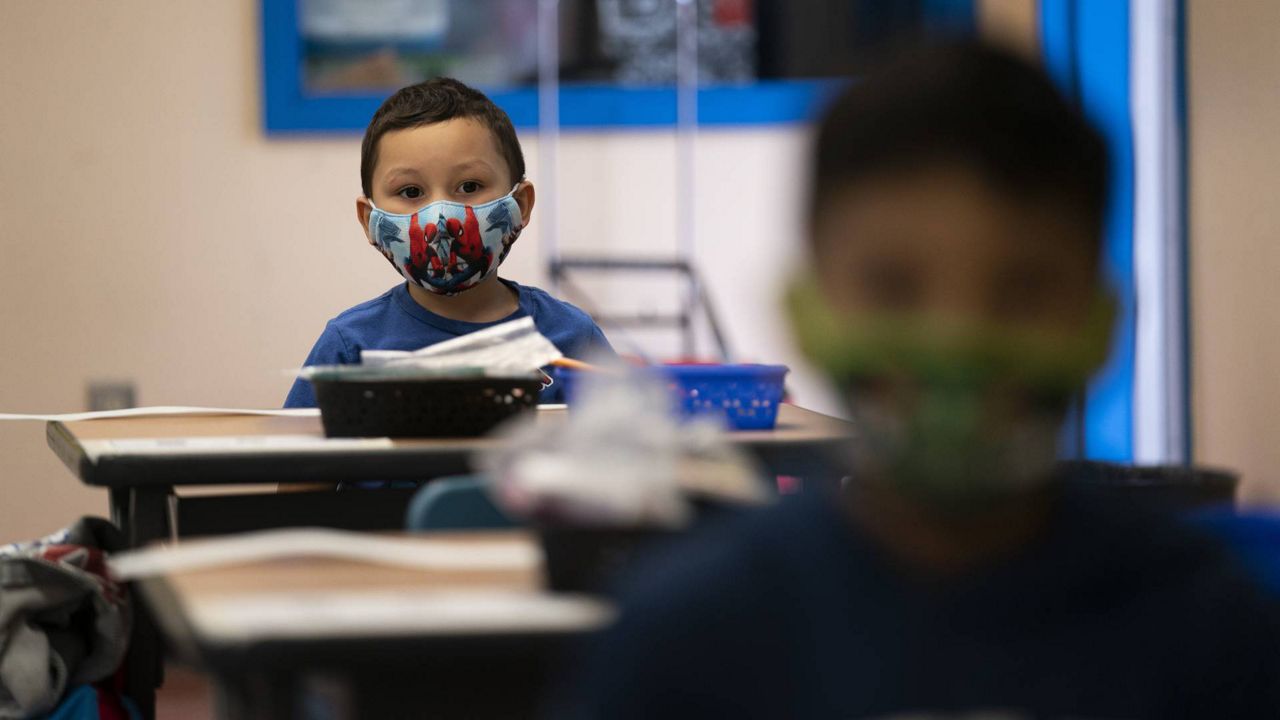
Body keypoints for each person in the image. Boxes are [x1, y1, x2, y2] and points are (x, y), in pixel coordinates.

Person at [557, 41, 1280, 719]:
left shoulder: (1209, 631)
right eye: (895, 288)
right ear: (806, 313)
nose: (956, 342)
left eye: (1023, 290)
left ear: (1101, 325)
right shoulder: (688, 639)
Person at [284, 78, 612, 407]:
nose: (440, 219)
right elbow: (293, 456)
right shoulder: (350, 347)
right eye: (411, 192)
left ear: (521, 204)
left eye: (469, 186)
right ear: (369, 219)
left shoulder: (571, 337)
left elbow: (633, 444)